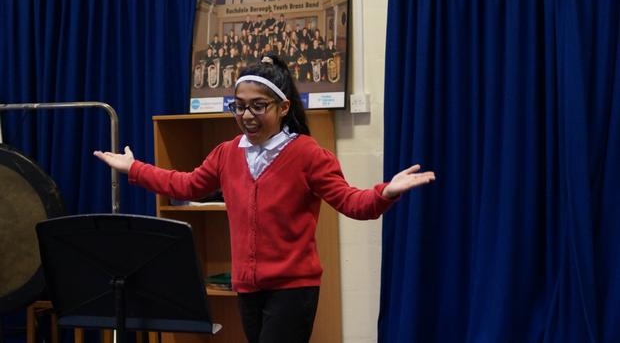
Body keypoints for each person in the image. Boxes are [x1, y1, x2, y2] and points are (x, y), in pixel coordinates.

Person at [93, 54, 435, 343]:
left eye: (258, 106)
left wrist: (385, 192)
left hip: (293, 287)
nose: (247, 116)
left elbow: (351, 202)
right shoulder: (227, 153)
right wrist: (134, 168)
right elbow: (187, 185)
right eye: (239, 107)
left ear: (283, 107)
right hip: (247, 287)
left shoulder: (307, 154)